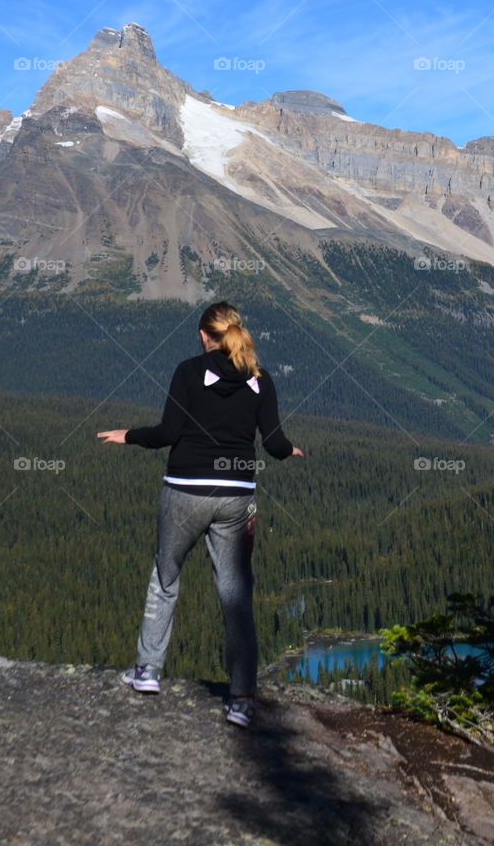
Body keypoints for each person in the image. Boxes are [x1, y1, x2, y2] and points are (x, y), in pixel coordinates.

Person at [96, 301, 303, 728]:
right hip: (236, 496)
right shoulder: (260, 380)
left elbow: (168, 433)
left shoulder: (188, 371)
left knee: (166, 577)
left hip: (185, 490)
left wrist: (128, 435)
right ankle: (242, 699)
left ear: (203, 334)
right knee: (235, 593)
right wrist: (290, 451)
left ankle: (148, 672)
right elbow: (275, 443)